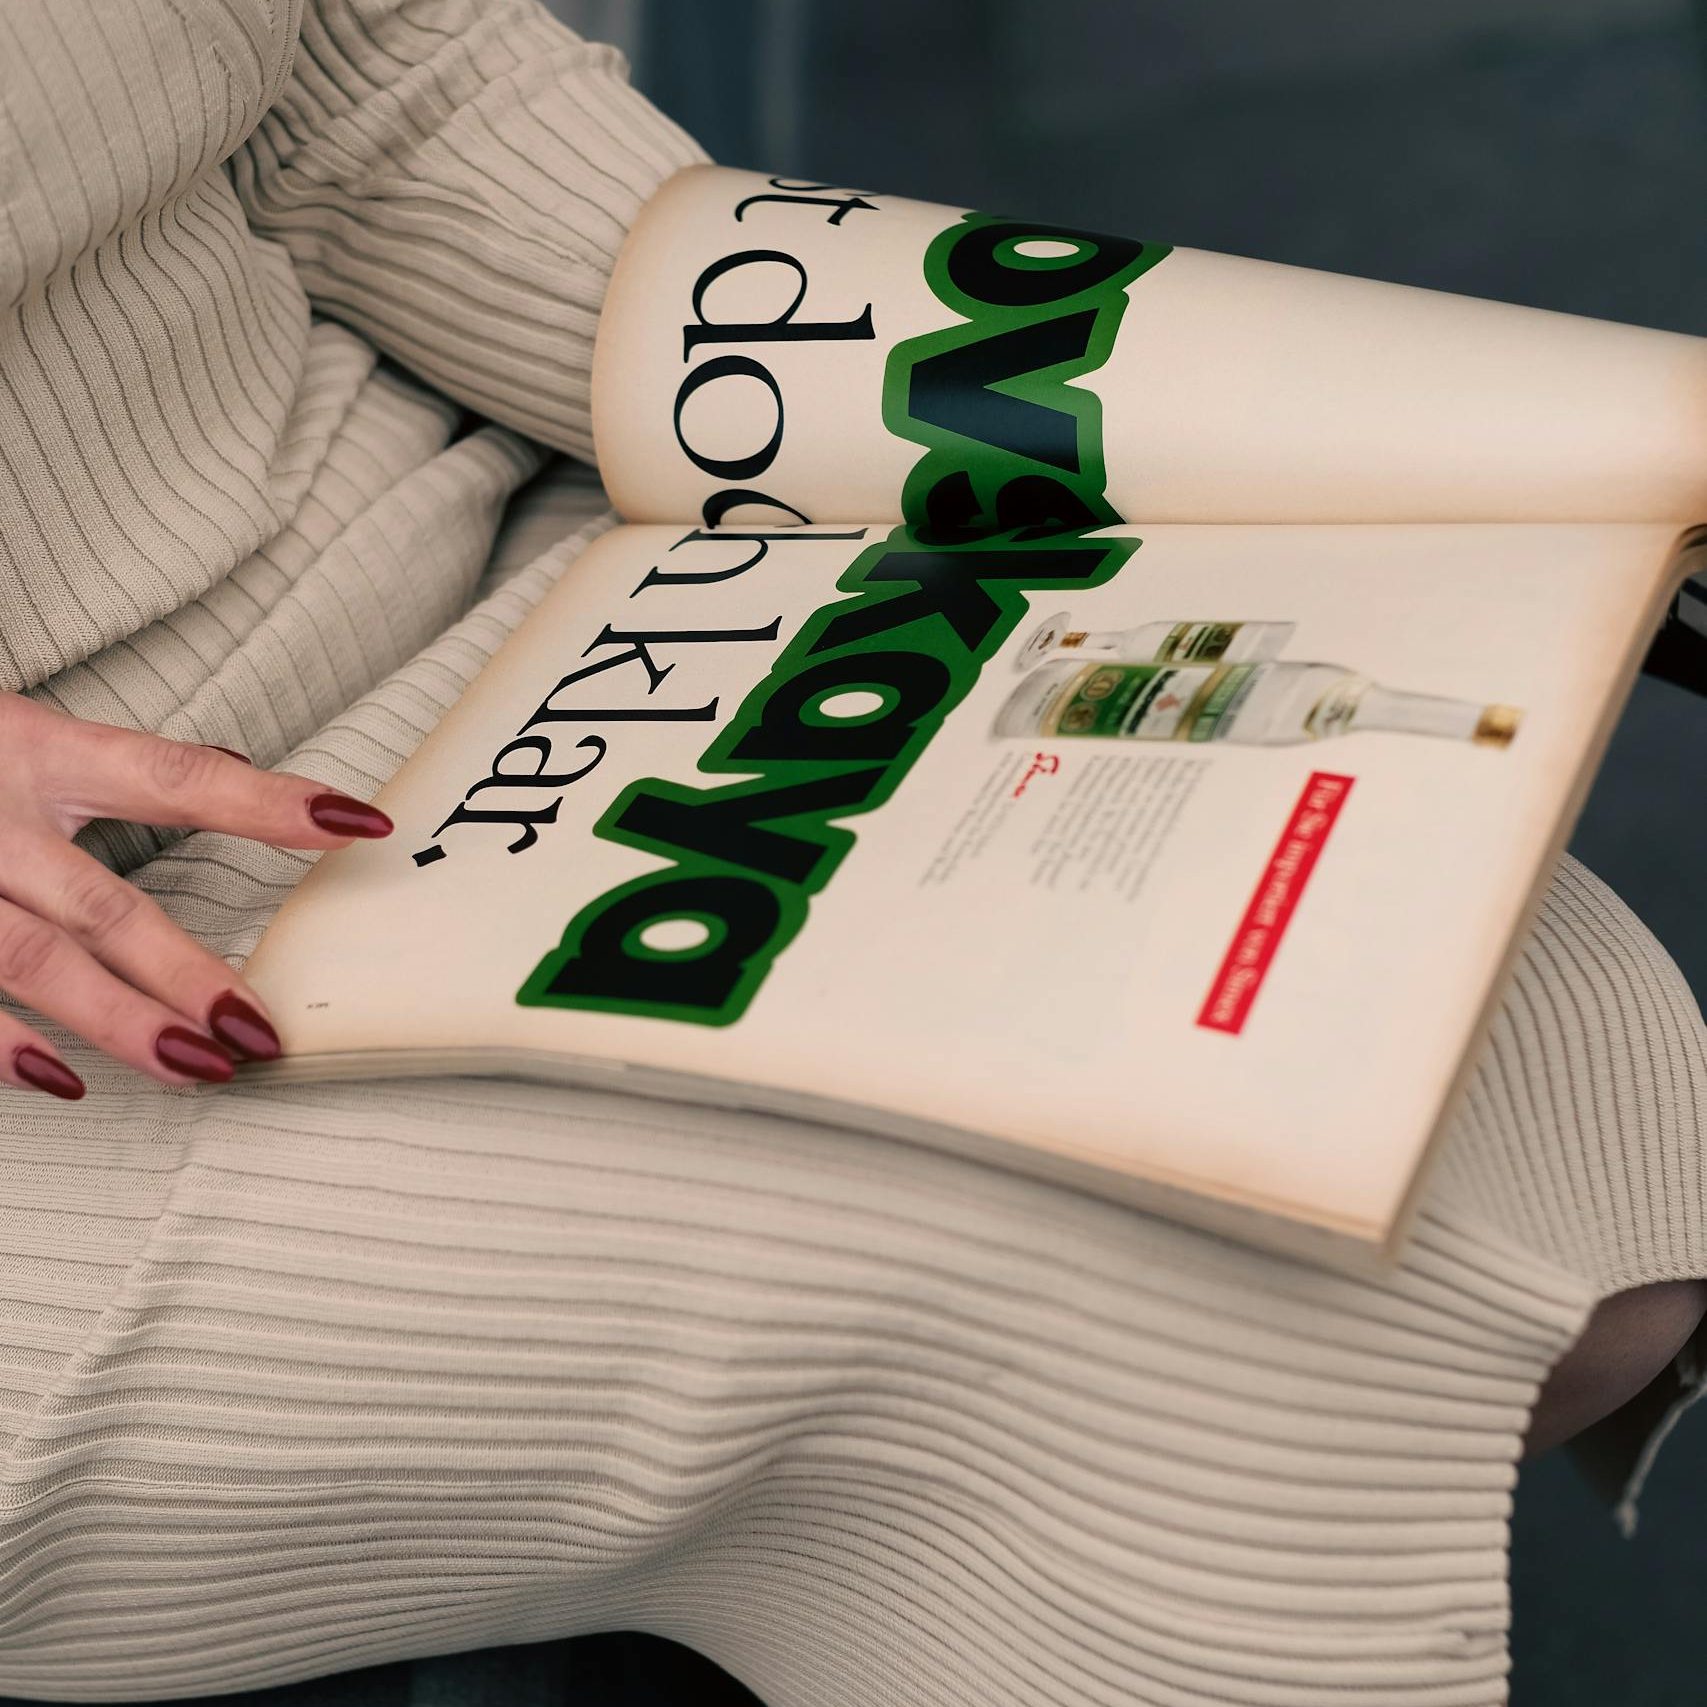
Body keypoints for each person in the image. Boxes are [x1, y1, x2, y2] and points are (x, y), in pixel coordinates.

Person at [0, 2, 1702, 1702]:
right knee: (1133, 1298)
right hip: (71, 1024)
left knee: (1485, 990)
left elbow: (381, 88)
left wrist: (1585, 442)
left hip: (492, 541)